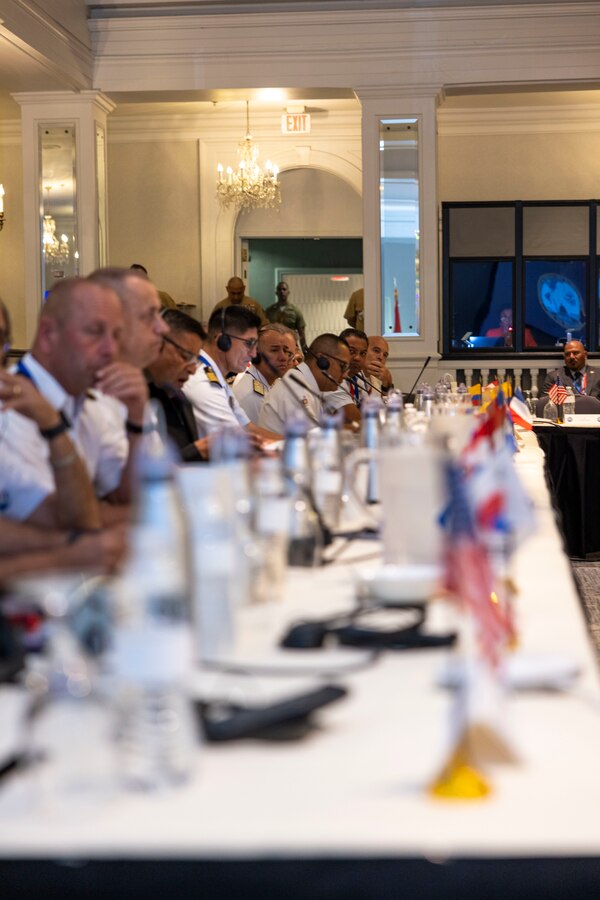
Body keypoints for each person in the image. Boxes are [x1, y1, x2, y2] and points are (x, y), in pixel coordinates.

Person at [0, 279, 133, 522]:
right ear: (49, 335)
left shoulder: (85, 402)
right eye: (94, 331)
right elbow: (68, 524)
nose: (110, 350)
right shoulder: (9, 408)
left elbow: (129, 496)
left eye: (116, 336)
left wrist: (138, 416)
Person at [183, 305, 281, 442]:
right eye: (249, 344)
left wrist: (298, 444)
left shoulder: (216, 377)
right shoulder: (204, 381)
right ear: (223, 341)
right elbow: (234, 443)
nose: (253, 354)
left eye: (255, 345)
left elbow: (249, 428)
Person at [145, 309, 209, 462]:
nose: (192, 370)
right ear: (156, 343)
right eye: (186, 356)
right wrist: (197, 451)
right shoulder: (128, 399)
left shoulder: (182, 400)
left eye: (195, 360)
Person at [258, 333, 351, 432]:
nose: (345, 375)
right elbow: (313, 440)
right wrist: (354, 428)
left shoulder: (305, 384)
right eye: (343, 366)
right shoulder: (296, 389)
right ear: (322, 361)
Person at [232, 323, 295, 424]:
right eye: (274, 350)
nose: (283, 357)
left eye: (286, 352)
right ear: (256, 354)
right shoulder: (252, 395)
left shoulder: (268, 383)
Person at [264, 282, 307, 350]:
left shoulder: (295, 311)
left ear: (288, 292)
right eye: (279, 289)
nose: (282, 291)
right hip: (273, 345)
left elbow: (301, 333)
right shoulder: (269, 311)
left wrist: (304, 348)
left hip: (290, 345)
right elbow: (264, 330)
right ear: (276, 293)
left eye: (284, 289)